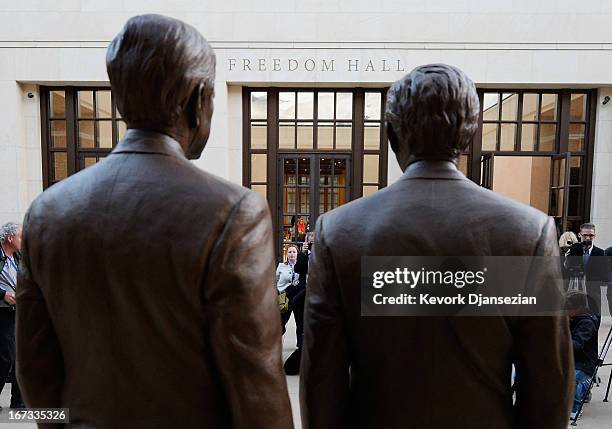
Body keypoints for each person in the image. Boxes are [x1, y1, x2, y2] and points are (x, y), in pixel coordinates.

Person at [16, 14, 292, 429]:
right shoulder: (234, 212)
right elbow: (257, 385)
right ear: (199, 100)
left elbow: (34, 371)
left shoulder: (46, 212)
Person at [300, 64, 573, 429]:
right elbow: (548, 388)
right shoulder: (525, 232)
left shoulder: (340, 232)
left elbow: (321, 385)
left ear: (392, 133)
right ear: (469, 133)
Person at [0, 223, 24, 409]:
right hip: (3, 313)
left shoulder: (17, 257)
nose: (23, 241)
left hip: (18, 312)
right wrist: (2, 294)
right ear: (10, 238)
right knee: (6, 357)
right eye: (20, 237)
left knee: (19, 357)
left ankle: (18, 401)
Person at [284, 232, 314, 375]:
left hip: (317, 293)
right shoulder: (303, 256)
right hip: (303, 291)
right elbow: (298, 269)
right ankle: (300, 343)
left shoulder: (321, 254)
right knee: (300, 320)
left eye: (314, 242)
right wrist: (304, 252)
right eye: (310, 242)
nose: (312, 244)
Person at [566, 290, 598, 419]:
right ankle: (584, 387)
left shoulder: (587, 323)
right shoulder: (571, 318)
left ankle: (574, 408)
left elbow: (576, 345)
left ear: (579, 308)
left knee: (571, 378)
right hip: (570, 361)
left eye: (568, 309)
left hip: (584, 364)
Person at [577, 223, 609, 318]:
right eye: (585, 235)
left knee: (594, 324)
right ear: (579, 235)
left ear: (594, 236)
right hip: (575, 296)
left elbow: (605, 277)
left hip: (593, 296)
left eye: (590, 235)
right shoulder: (573, 252)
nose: (587, 238)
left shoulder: (600, 253)